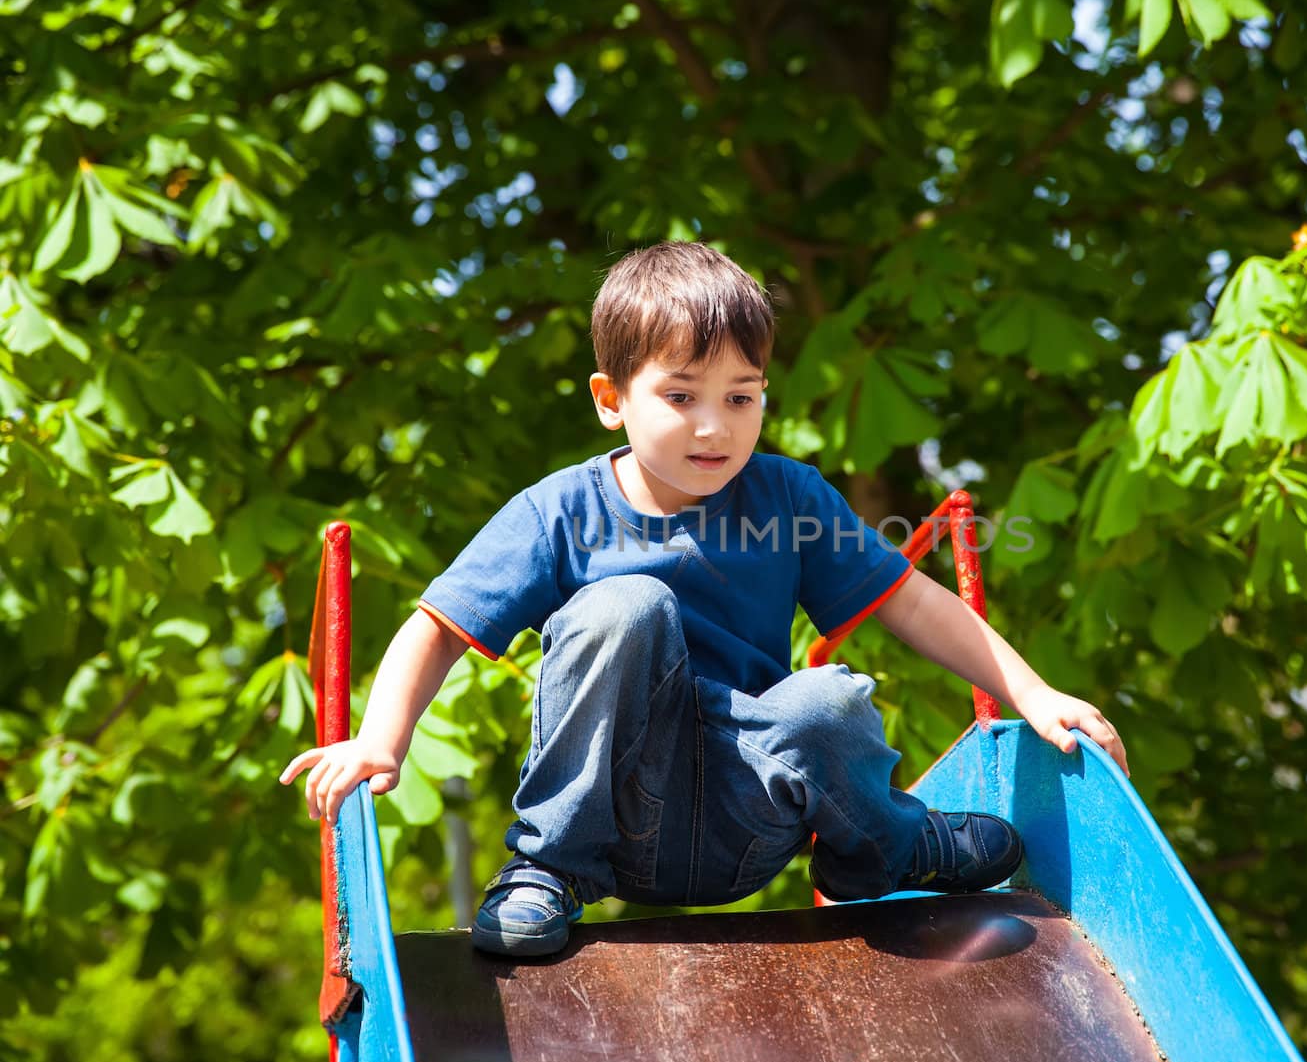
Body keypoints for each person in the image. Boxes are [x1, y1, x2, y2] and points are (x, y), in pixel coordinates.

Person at [280, 241, 1128, 958]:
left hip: (748, 812)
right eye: (680, 397)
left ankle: (887, 845)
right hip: (611, 819)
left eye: (741, 397)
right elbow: (438, 628)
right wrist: (380, 741)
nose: (714, 427)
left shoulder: (787, 498)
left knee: (829, 699)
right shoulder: (557, 512)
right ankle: (546, 868)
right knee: (624, 606)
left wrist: (1035, 693)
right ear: (612, 400)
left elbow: (913, 603)